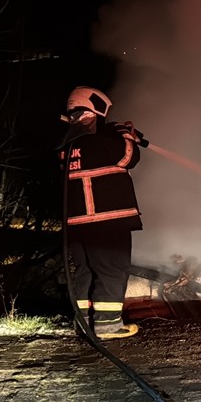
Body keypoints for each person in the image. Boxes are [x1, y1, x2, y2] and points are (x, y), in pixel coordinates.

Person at [59, 86, 144, 340]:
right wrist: (126, 134)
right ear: (95, 112)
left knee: (85, 271)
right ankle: (107, 325)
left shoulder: (67, 146)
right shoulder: (104, 142)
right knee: (111, 270)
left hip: (77, 225)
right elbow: (130, 157)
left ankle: (84, 323)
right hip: (107, 220)